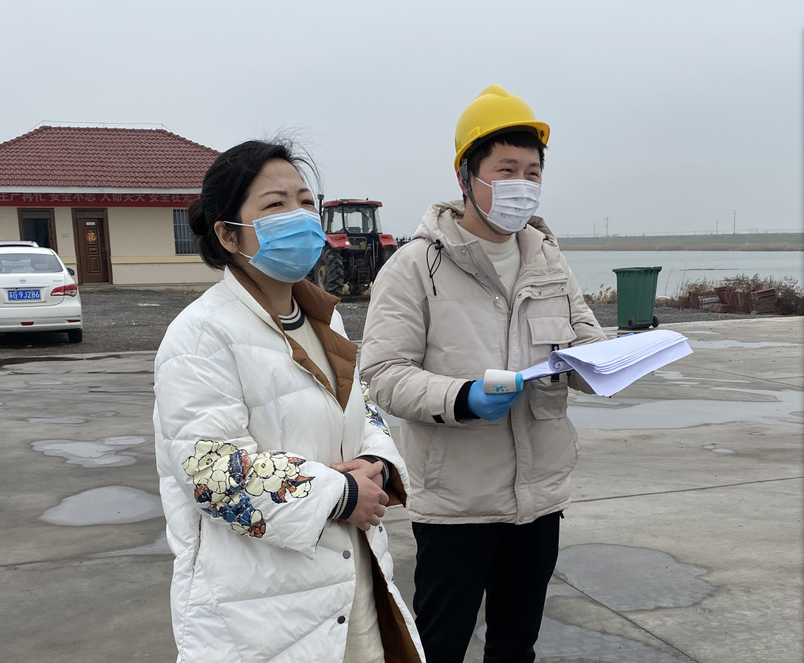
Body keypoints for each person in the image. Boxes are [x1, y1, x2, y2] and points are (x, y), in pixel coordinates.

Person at [359, 85, 608, 663]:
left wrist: (607, 364)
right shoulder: (415, 266)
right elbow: (382, 373)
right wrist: (462, 397)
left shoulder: (548, 259)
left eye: (533, 172)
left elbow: (586, 340)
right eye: (506, 170)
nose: (523, 184)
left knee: (516, 647)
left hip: (539, 497)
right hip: (457, 503)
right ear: (465, 176)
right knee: (439, 648)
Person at [153, 139, 424, 663]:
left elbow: (359, 406)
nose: (298, 216)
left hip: (350, 586)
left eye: (304, 202)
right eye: (275, 205)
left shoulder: (326, 318)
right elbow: (211, 473)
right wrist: (340, 493)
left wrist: (375, 464)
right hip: (259, 613)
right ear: (229, 234)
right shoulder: (201, 335)